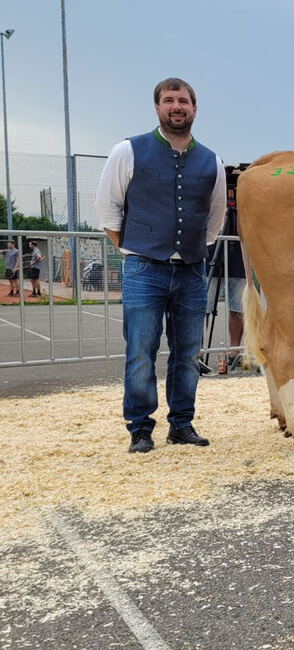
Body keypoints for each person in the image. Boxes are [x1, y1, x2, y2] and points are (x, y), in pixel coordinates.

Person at [95, 77, 226, 453]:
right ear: (157, 108)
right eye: (168, 100)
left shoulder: (211, 161)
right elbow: (108, 209)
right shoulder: (128, 150)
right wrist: (133, 250)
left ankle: (181, 424)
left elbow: (215, 217)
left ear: (194, 108)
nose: (176, 107)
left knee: (187, 353)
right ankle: (140, 428)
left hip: (191, 271)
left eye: (183, 101)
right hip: (143, 269)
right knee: (140, 351)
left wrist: (193, 250)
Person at [204, 202, 245, 371]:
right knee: (203, 308)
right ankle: (198, 352)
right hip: (211, 255)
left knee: (238, 309)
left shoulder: (244, 197)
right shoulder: (214, 194)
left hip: (239, 261)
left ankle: (235, 351)